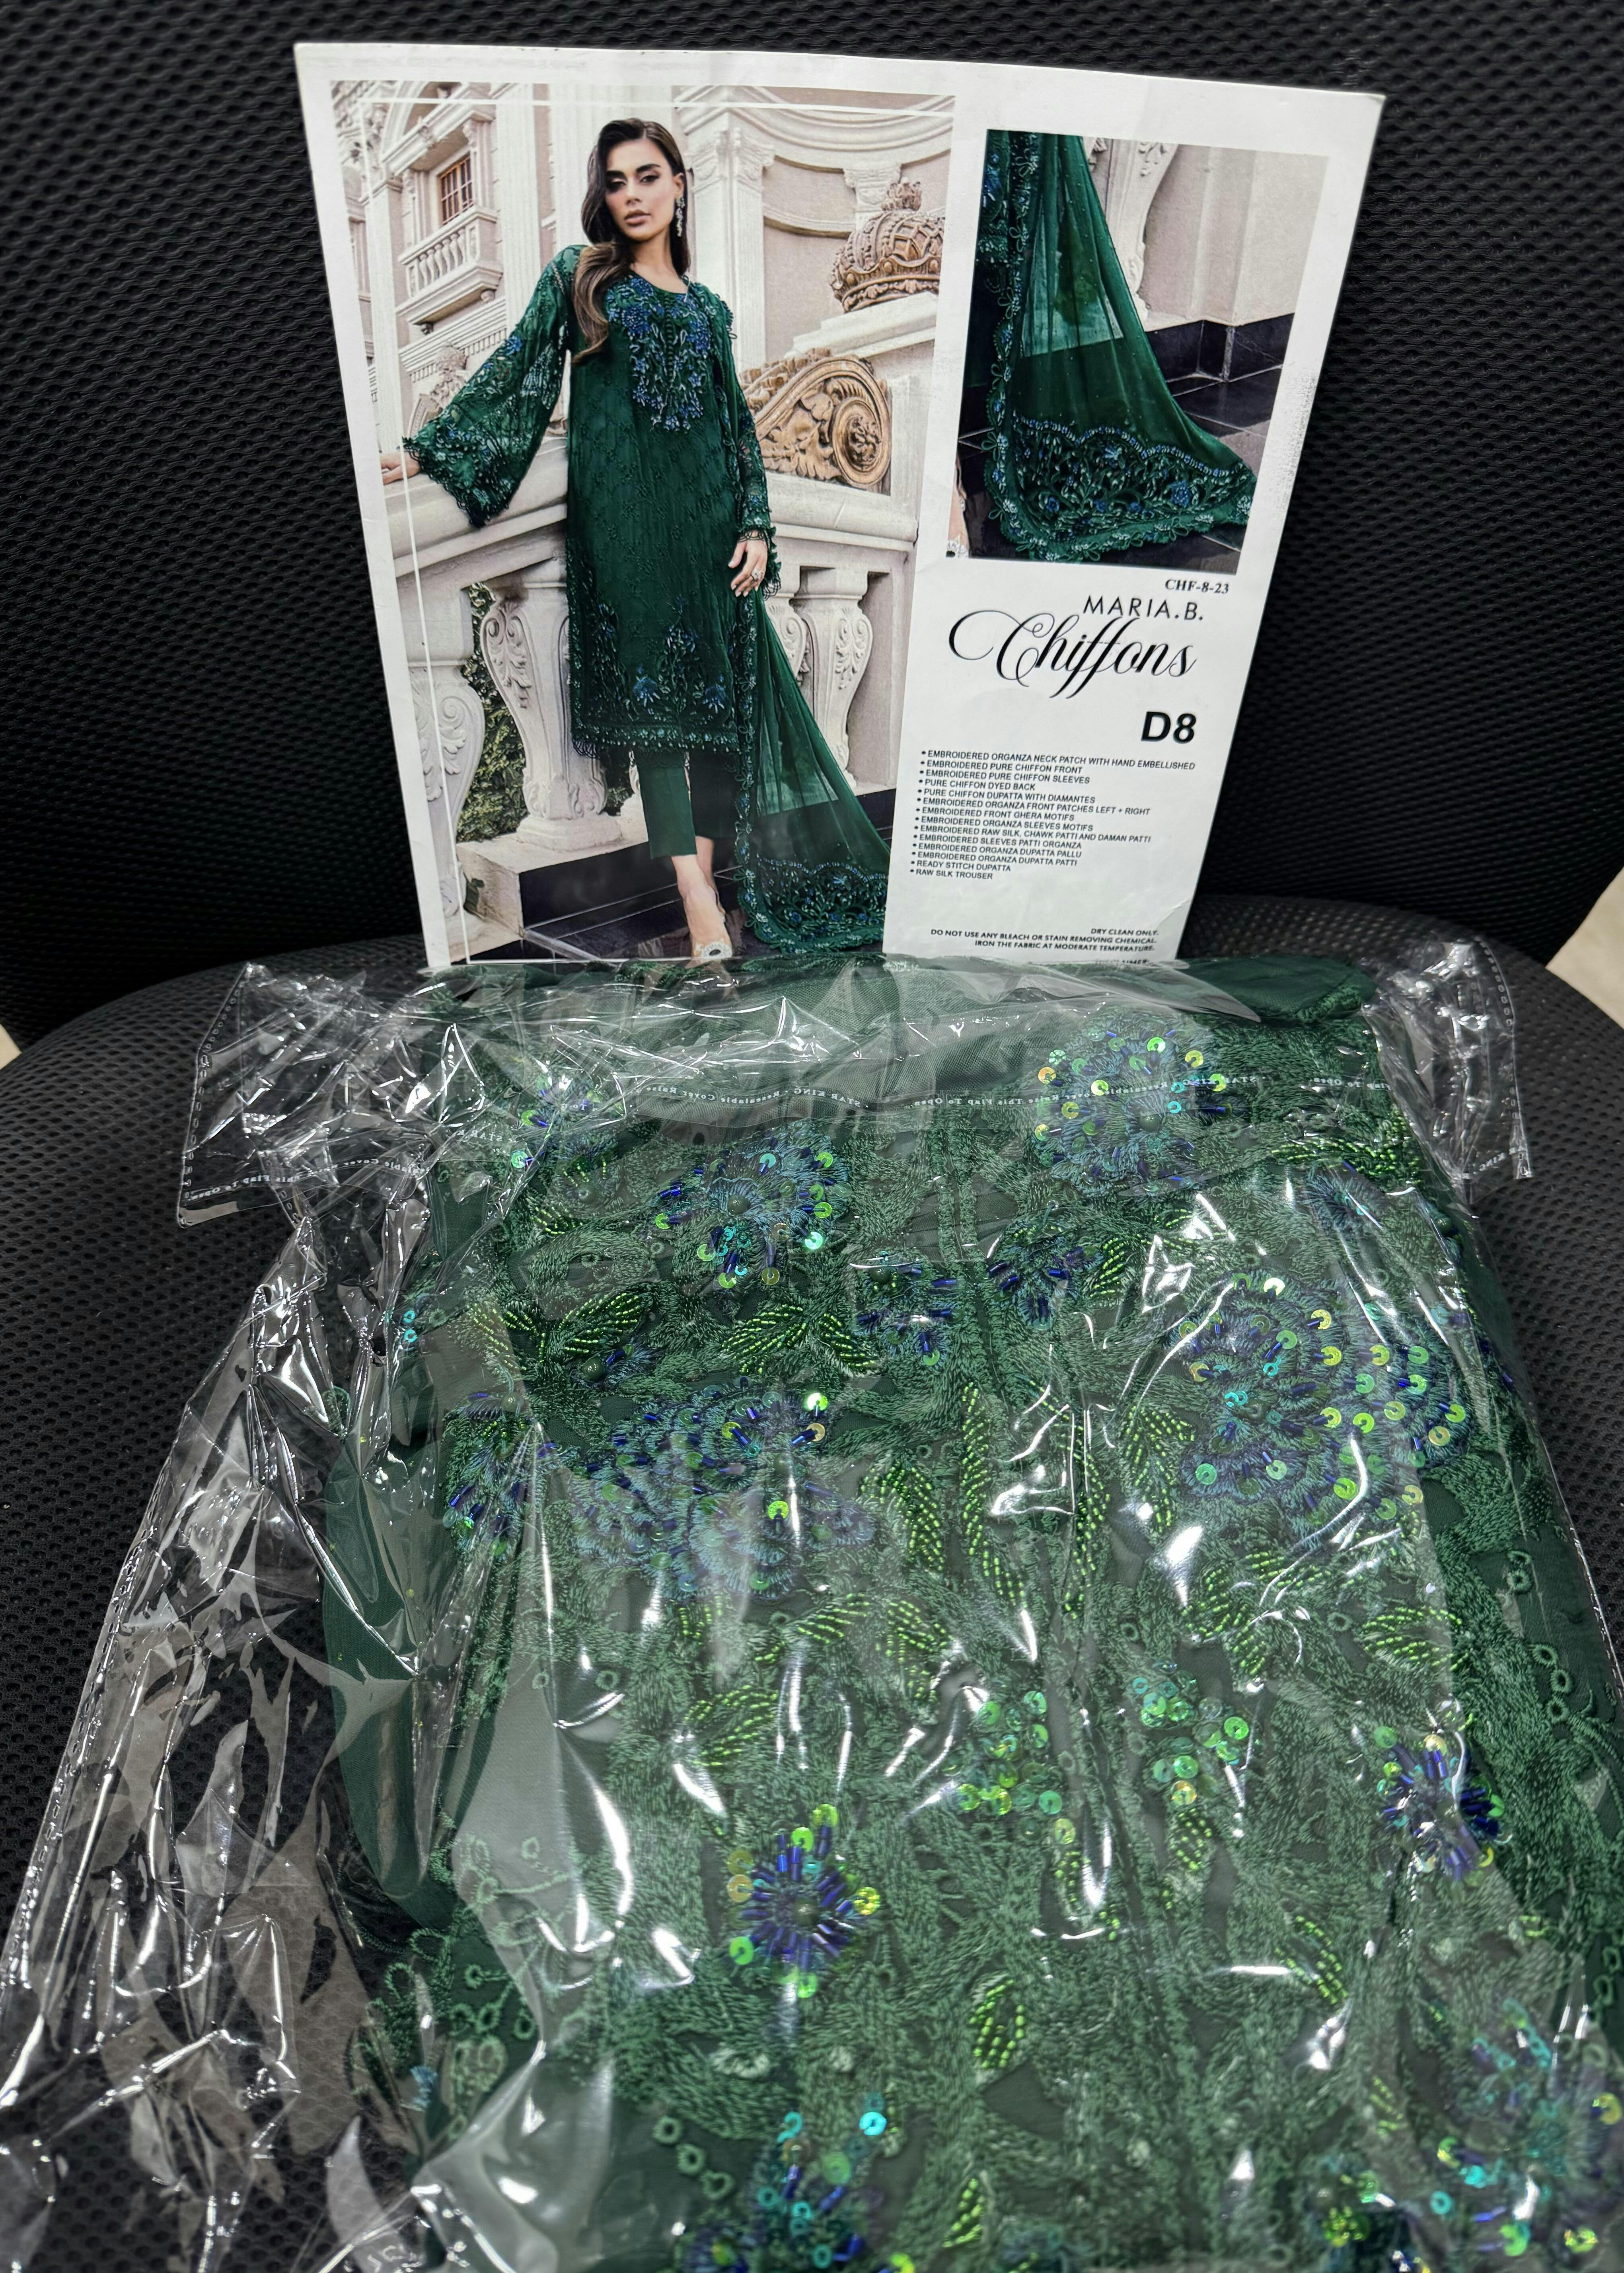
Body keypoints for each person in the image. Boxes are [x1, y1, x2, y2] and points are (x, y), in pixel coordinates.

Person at [383, 119, 890, 960]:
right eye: (616, 182)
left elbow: (734, 428)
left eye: (648, 176)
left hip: (712, 532)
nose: (632, 196)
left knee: (719, 719)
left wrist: (755, 525)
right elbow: (517, 372)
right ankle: (693, 897)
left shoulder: (709, 309)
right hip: (624, 528)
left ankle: (712, 884)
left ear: (679, 184)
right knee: (658, 720)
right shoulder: (582, 279)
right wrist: (428, 452)